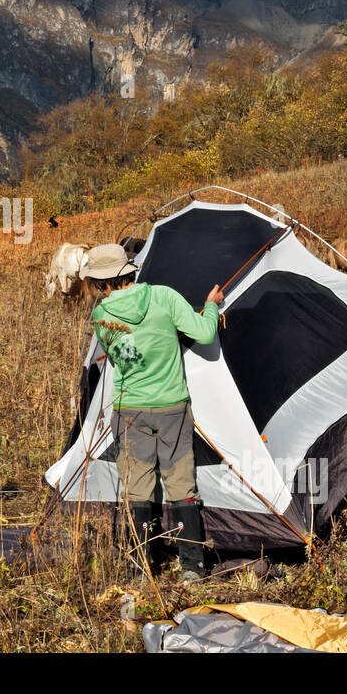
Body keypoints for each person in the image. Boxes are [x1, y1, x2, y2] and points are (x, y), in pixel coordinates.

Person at [80, 243, 223, 580]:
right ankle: (193, 567)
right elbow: (204, 333)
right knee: (182, 486)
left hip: (129, 410)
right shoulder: (165, 297)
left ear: (104, 284)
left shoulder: (102, 317)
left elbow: (119, 359)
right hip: (173, 406)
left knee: (138, 490)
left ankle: (140, 568)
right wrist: (212, 307)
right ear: (130, 270)